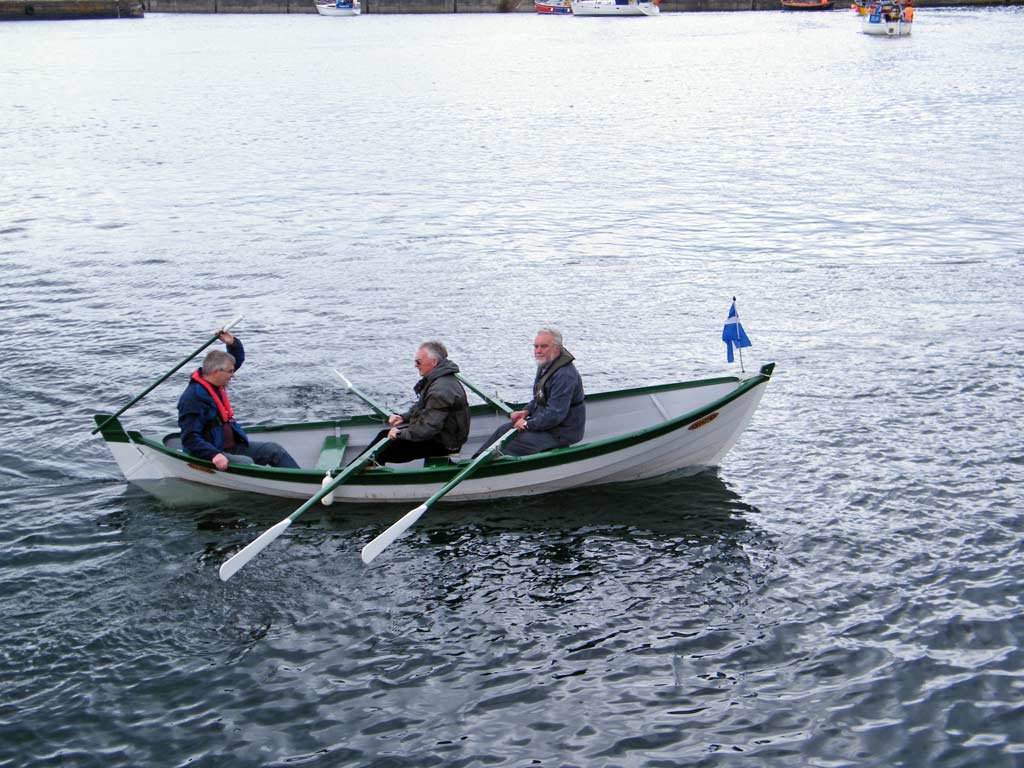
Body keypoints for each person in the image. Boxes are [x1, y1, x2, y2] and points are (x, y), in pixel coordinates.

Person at [177, 329, 299, 471]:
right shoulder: (193, 398)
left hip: (232, 446)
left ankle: (304, 481)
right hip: (211, 452)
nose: (233, 375)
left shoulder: (216, 382)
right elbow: (189, 438)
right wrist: (214, 455)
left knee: (274, 450)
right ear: (216, 372)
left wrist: (233, 343)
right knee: (246, 462)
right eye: (230, 372)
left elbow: (235, 361)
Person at [475, 327, 585, 458]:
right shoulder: (545, 365)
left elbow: (555, 415)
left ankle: (487, 471)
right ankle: (474, 461)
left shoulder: (565, 375)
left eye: (543, 346)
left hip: (562, 432)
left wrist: (527, 424)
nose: (538, 351)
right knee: (502, 431)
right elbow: (539, 398)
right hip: (548, 426)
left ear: (557, 348)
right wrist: (526, 411)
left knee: (511, 443)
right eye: (536, 346)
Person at [371, 340, 471, 465]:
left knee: (385, 446)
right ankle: (364, 467)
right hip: (441, 435)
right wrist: (403, 417)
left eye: (418, 362)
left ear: (433, 362)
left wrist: (400, 434)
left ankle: (362, 476)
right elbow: (422, 407)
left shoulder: (440, 390)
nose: (416, 365)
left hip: (445, 444)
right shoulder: (438, 379)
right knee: (384, 435)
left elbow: (427, 428)